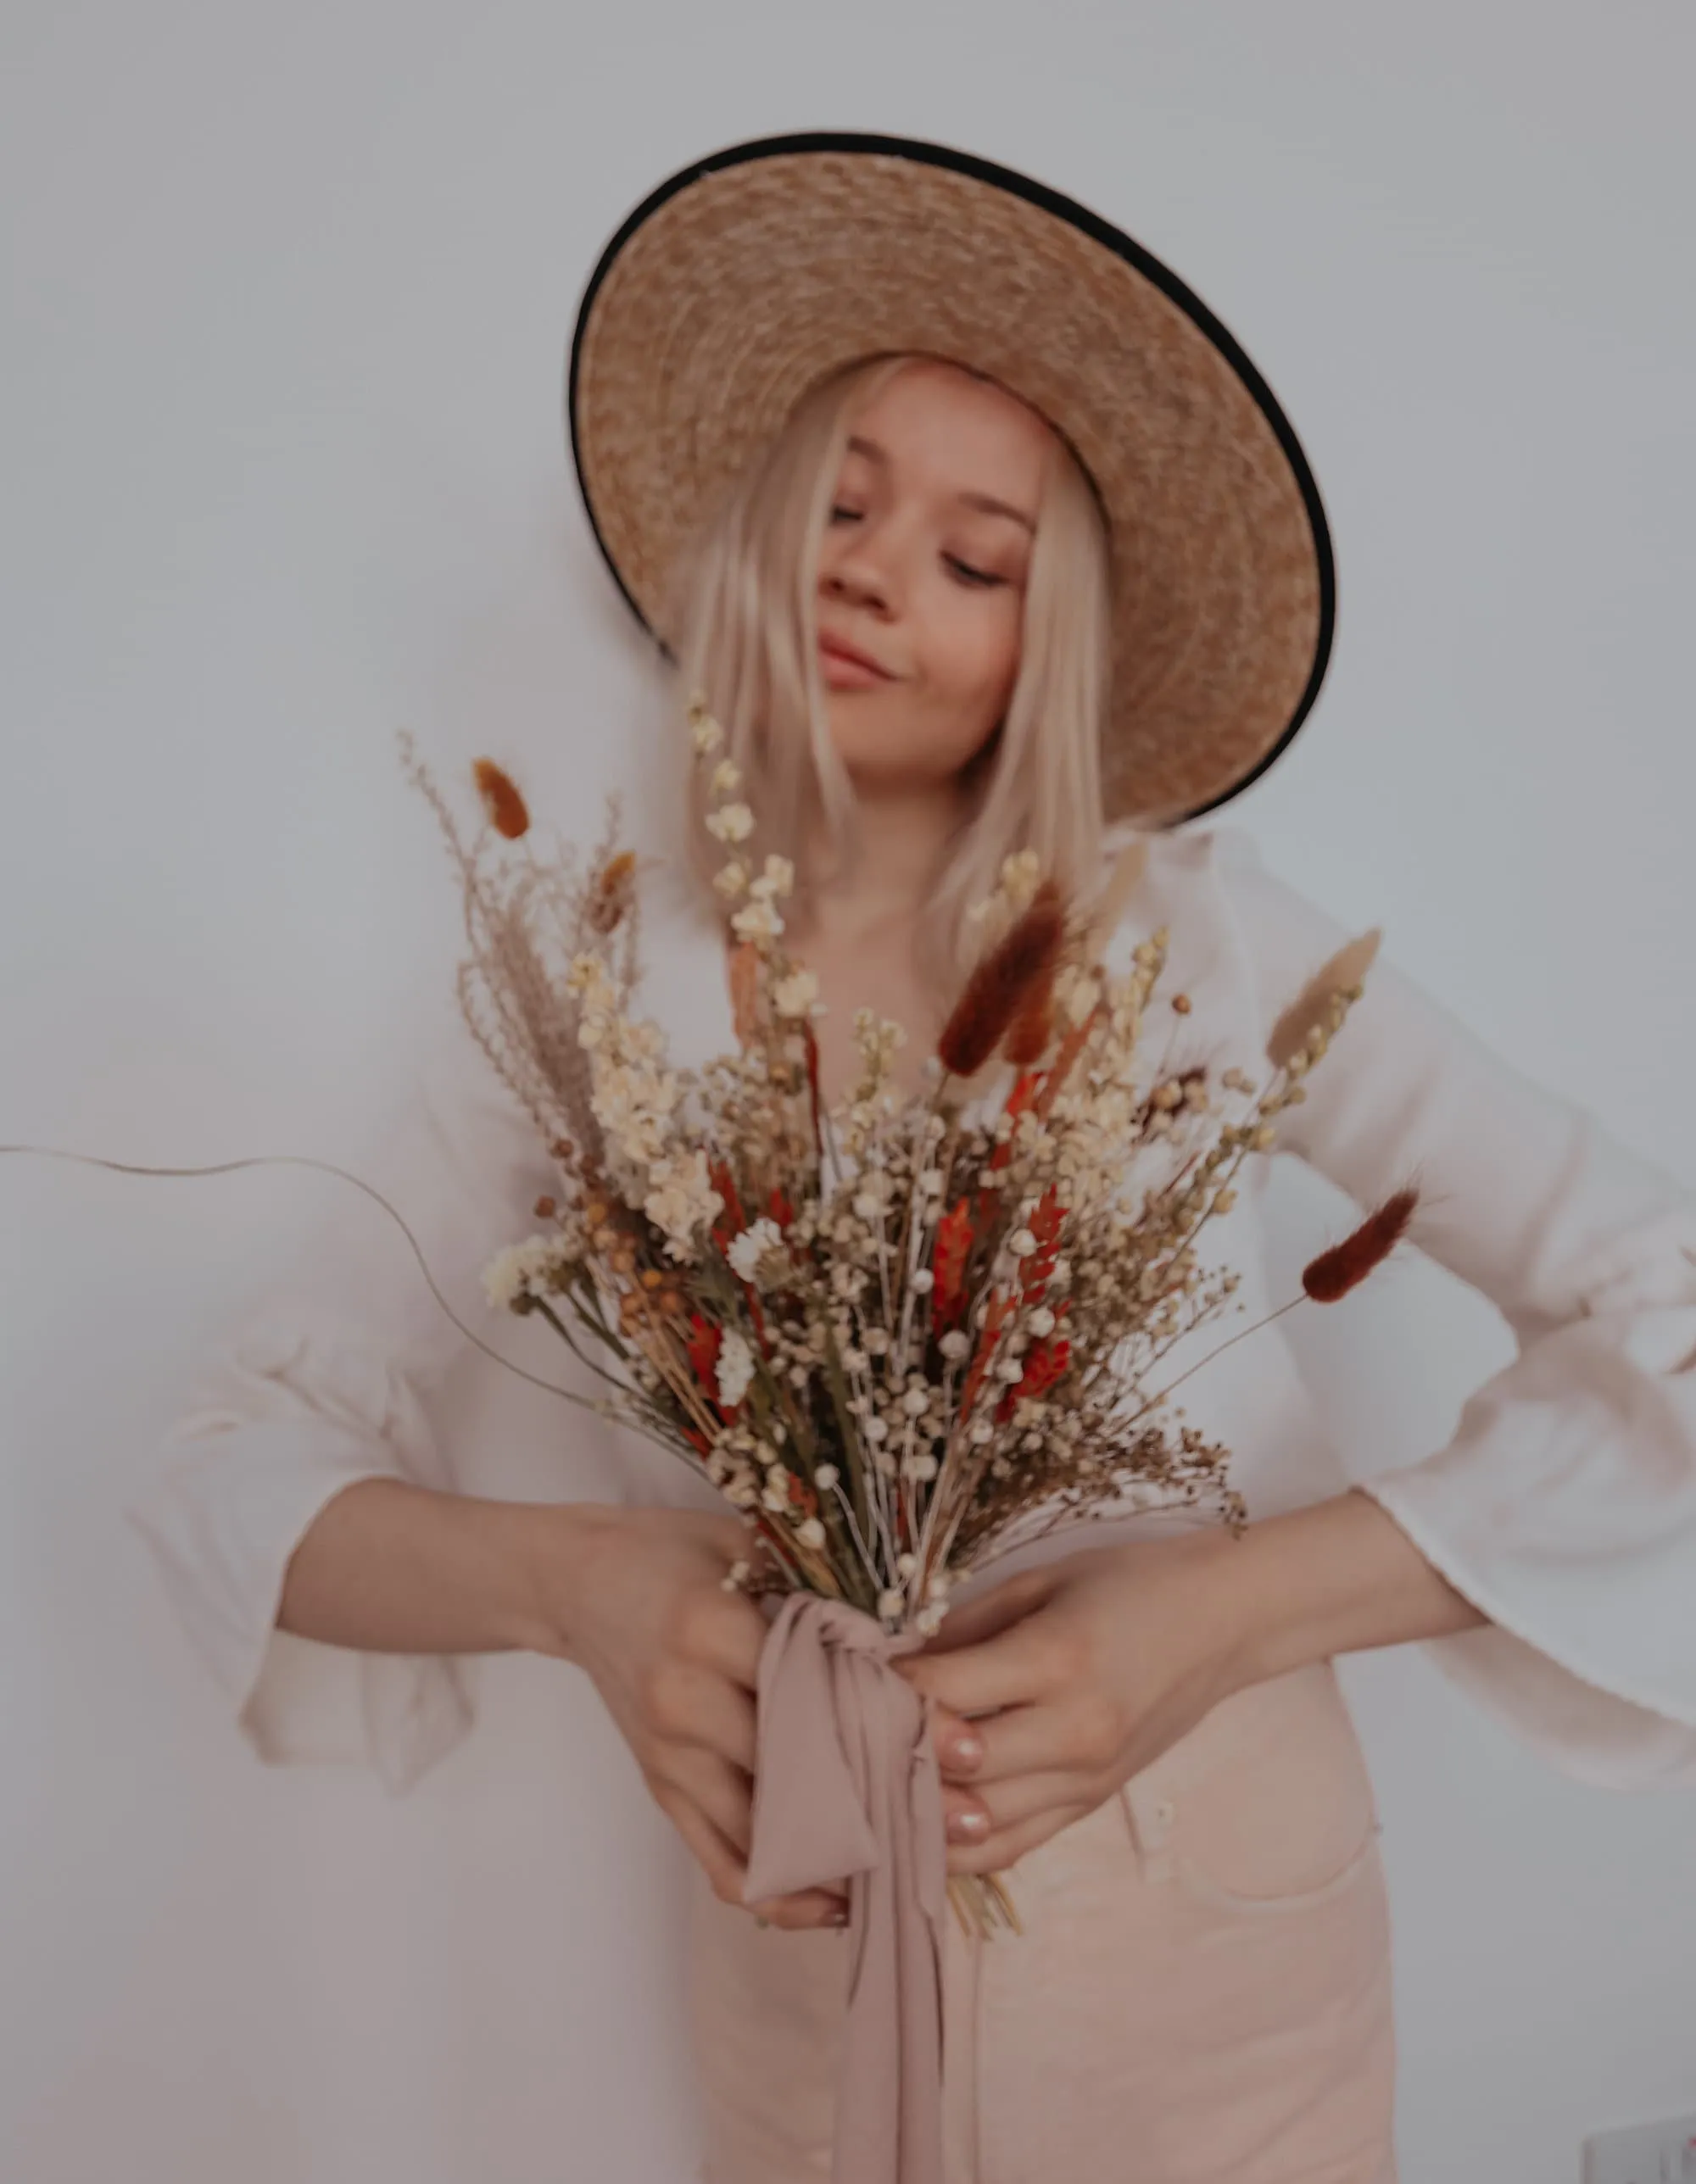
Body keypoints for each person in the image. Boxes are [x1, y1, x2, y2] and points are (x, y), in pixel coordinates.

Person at [128, 135, 1696, 2184]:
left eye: (977, 556)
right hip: (801, 1985)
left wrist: (1217, 1621)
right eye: (842, 509)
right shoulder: (584, 1001)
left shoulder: (1200, 950)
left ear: (1061, 641)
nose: (875, 574)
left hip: (1225, 1977)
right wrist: (582, 1590)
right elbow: (227, 1467)